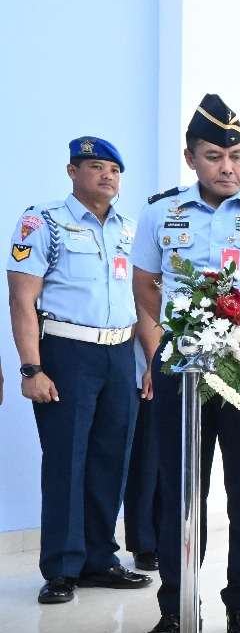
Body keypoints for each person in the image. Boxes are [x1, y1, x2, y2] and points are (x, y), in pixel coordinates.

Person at [133, 94, 240, 633]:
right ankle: (177, 607)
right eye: (213, 156)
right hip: (182, 361)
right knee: (180, 488)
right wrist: (168, 343)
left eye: (236, 154)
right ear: (191, 159)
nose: (227, 166)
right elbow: (144, 285)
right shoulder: (162, 212)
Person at [7, 136, 151, 604]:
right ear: (72, 172)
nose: (107, 176)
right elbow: (22, 299)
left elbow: (146, 302)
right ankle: (63, 567)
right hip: (67, 354)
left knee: (113, 457)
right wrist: (31, 368)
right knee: (68, 458)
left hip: (119, 354)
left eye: (114, 169)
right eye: (95, 167)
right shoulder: (44, 221)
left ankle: (99, 558)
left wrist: (152, 360)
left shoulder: (131, 230)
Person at [122, 337, 161, 571]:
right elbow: (144, 307)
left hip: (190, 371)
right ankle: (144, 544)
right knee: (146, 462)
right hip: (149, 370)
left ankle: (168, 538)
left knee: (175, 465)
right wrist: (152, 364)